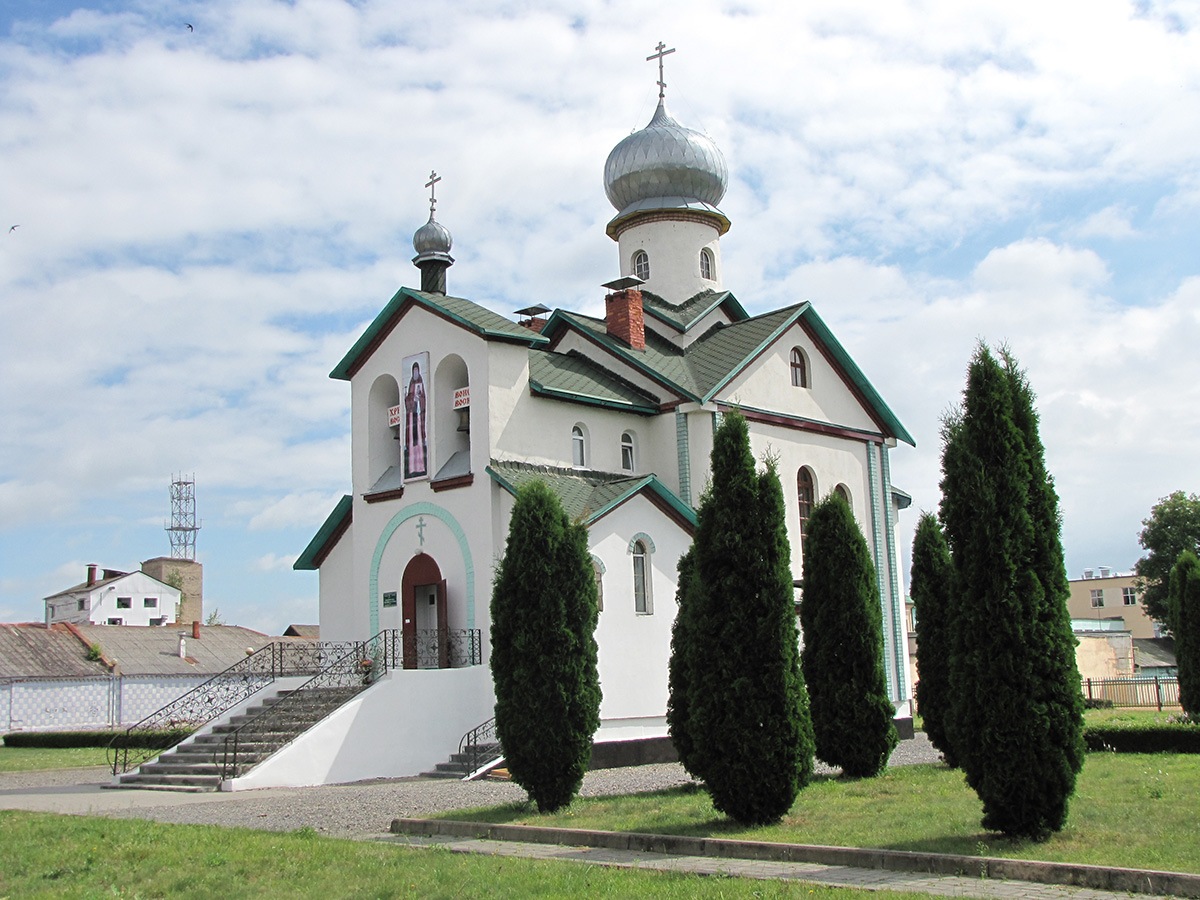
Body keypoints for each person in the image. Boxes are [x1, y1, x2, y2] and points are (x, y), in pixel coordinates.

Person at [405, 361, 427, 477]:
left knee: (419, 440)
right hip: (412, 417)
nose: (415, 373)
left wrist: (420, 398)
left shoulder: (421, 383)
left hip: (419, 416)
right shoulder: (411, 384)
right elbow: (408, 400)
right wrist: (411, 399)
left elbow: (424, 399)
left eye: (417, 371)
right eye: (414, 371)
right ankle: (412, 467)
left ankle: (420, 466)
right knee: (413, 443)